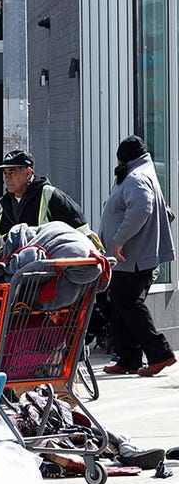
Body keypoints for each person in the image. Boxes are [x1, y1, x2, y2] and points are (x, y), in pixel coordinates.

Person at [99, 135, 176, 377]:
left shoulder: (136, 177)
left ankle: (160, 353)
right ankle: (129, 358)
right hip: (130, 258)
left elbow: (143, 207)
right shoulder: (139, 173)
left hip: (131, 257)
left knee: (128, 303)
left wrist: (119, 239)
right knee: (122, 305)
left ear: (126, 159)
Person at [0, 150, 87, 257]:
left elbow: (81, 234)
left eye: (11, 173)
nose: (7, 178)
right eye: (5, 173)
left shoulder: (50, 196)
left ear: (28, 173)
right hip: (12, 271)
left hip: (47, 271)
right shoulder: (2, 206)